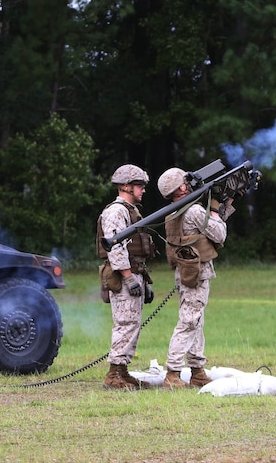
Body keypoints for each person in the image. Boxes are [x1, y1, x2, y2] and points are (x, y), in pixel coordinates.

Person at [156, 166, 232, 389]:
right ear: (181, 187)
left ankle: (197, 371)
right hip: (196, 274)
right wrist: (216, 210)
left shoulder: (173, 212)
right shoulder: (194, 211)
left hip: (185, 272)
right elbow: (220, 234)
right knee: (189, 321)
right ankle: (173, 373)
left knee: (195, 320)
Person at [96, 164, 155, 390]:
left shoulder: (130, 210)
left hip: (134, 273)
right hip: (123, 276)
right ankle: (114, 375)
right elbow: (115, 246)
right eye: (139, 185)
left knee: (132, 323)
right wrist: (129, 277)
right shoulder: (116, 212)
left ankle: (122, 371)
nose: (143, 190)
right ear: (125, 186)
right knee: (125, 323)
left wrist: (142, 279)